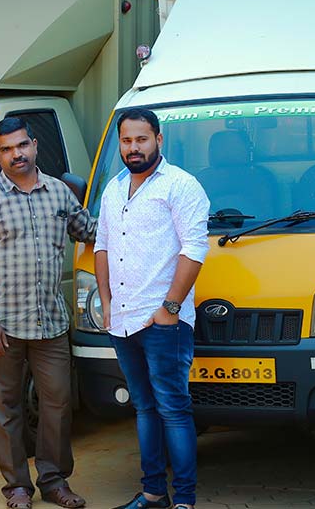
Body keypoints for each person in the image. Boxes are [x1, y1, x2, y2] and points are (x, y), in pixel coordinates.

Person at [0, 117, 96, 509]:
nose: (16, 154)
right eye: (6, 149)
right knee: (6, 408)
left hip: (50, 322)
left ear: (34, 145)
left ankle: (54, 481)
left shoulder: (59, 193)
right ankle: (17, 486)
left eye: (21, 145)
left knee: (58, 403)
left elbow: (90, 231)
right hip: (2, 327)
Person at [94, 108, 210, 509]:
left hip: (163, 323)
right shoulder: (113, 189)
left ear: (158, 140)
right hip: (123, 321)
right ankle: (153, 493)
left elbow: (195, 249)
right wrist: (106, 302)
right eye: (126, 141)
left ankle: (185, 500)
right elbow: (102, 246)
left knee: (173, 410)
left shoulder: (181, 185)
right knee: (144, 409)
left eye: (141, 139)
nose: (134, 148)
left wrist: (170, 308)